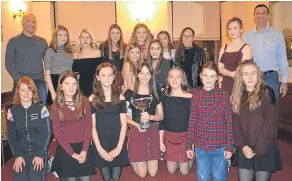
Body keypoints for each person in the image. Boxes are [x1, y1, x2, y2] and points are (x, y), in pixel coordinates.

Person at [231, 60, 282, 181]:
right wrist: (243, 146)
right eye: (245, 74)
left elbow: (270, 123)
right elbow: (235, 125)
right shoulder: (237, 95)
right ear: (240, 76)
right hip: (245, 146)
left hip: (264, 146)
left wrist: (259, 149)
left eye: (253, 73)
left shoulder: (267, 93)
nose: (250, 77)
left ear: (258, 75)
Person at [186, 61, 234, 181]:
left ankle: (225, 164)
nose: (208, 79)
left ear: (217, 77)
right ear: (200, 76)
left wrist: (229, 147)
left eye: (212, 76)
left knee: (219, 177)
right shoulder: (196, 97)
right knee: (203, 177)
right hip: (201, 147)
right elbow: (192, 122)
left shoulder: (224, 96)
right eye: (205, 75)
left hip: (219, 147)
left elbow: (229, 123)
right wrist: (188, 145)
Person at [50, 70, 96, 181]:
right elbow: (57, 133)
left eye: (74, 83)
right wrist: (73, 154)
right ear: (61, 86)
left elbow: (89, 126)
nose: (71, 87)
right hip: (67, 148)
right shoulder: (56, 106)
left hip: (83, 146)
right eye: (67, 83)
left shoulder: (84, 100)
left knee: (85, 179)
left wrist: (85, 150)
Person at [7, 77, 52, 181]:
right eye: (23, 90)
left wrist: (40, 155)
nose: (26, 93)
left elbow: (47, 133)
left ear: (34, 91)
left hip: (39, 152)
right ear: (18, 91)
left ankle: (47, 161)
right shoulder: (12, 111)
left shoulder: (42, 109)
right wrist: (17, 156)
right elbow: (11, 136)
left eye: (29, 89)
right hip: (21, 152)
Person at [90, 62, 129, 181]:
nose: (107, 78)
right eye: (103, 75)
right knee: (106, 178)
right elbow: (92, 127)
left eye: (110, 75)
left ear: (114, 77)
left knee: (116, 177)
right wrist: (99, 149)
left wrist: (118, 148)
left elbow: (124, 125)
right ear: (98, 77)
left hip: (117, 141)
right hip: (101, 142)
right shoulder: (92, 99)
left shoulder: (121, 98)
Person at [124, 63, 164, 178]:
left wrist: (151, 117)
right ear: (137, 75)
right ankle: (132, 156)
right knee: (142, 174)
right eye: (141, 73)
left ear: (152, 75)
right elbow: (123, 116)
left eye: (148, 73)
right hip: (137, 131)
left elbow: (161, 115)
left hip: (152, 131)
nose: (144, 76)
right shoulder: (129, 93)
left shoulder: (156, 92)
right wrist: (136, 125)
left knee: (152, 173)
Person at [243, 4, 289, 100]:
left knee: (272, 108)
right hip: (252, 77)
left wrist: (284, 81)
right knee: (253, 108)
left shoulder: (277, 35)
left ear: (268, 16)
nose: (260, 15)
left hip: (271, 77)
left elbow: (282, 58)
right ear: (254, 17)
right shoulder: (246, 37)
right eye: (257, 13)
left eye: (264, 13)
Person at [5, 14, 48, 105]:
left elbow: (48, 63)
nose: (32, 24)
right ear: (22, 23)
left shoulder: (43, 42)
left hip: (39, 83)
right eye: (28, 21)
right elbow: (8, 64)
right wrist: (19, 80)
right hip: (21, 84)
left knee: (41, 112)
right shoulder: (13, 41)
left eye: (34, 22)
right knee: (21, 113)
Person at [159, 67, 194, 175]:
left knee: (184, 171)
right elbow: (161, 121)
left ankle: (192, 157)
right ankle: (180, 160)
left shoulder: (190, 97)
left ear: (182, 80)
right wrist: (161, 141)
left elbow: (193, 122)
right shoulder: (163, 97)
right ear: (168, 80)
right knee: (171, 170)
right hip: (169, 137)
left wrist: (192, 144)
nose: (174, 80)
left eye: (178, 77)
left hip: (185, 137)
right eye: (171, 77)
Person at [218, 17, 252, 95]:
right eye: (229, 29)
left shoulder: (246, 47)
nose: (232, 31)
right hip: (226, 84)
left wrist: (233, 74)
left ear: (241, 30)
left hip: (240, 84)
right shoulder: (224, 48)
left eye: (235, 28)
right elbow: (220, 68)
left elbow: (244, 69)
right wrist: (231, 74)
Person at [45, 25, 73, 105]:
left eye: (65, 35)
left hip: (68, 83)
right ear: (55, 36)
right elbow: (47, 75)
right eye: (60, 35)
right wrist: (53, 93)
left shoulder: (70, 51)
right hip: (56, 83)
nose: (63, 37)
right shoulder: (50, 51)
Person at [173, 27, 206, 93]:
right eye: (184, 36)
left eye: (189, 36)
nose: (186, 38)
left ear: (193, 38)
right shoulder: (177, 52)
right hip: (181, 87)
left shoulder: (200, 52)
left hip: (196, 87)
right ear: (181, 37)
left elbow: (204, 71)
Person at [72, 28, 104, 97]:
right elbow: (74, 74)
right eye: (83, 38)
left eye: (87, 37)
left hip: (95, 87)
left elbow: (100, 72)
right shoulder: (75, 55)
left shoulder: (97, 53)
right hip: (80, 89)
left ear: (91, 39)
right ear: (79, 39)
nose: (85, 40)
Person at [99, 24, 127, 88]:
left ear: (120, 35)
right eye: (113, 33)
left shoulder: (125, 47)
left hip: (121, 78)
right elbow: (100, 65)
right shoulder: (103, 46)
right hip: (107, 77)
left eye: (117, 33)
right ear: (109, 34)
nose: (115, 35)